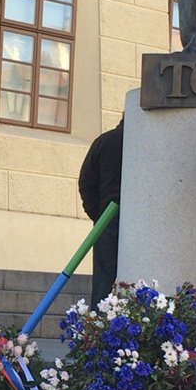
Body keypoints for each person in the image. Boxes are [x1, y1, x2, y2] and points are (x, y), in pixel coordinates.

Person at [78, 121, 123, 307]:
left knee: (104, 281)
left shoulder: (104, 142)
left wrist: (98, 215)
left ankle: (99, 327)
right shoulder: (147, 143)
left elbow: (86, 181)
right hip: (141, 223)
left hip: (107, 219)